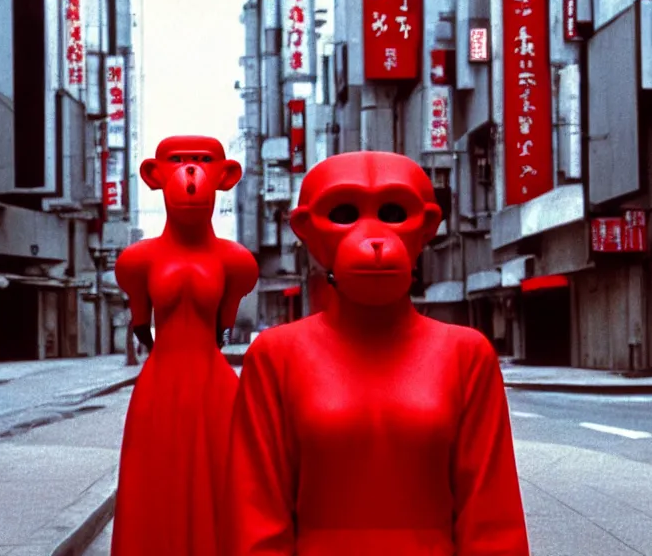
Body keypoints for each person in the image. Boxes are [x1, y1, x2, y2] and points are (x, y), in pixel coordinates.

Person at [226, 151, 530, 555]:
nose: (372, 237)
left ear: (427, 226)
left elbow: (492, 520)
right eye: (345, 212)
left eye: (392, 211)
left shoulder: (467, 354)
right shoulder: (275, 356)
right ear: (306, 229)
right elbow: (256, 517)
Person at [111, 136, 258, 556]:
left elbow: (220, 328)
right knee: (156, 481)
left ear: (224, 176)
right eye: (178, 161)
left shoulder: (236, 262)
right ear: (155, 176)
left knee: (222, 479)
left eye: (201, 162)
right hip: (160, 386)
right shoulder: (138, 261)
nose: (190, 173)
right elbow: (143, 325)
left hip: (214, 388)